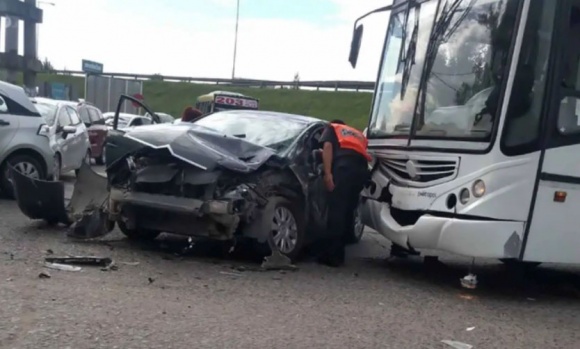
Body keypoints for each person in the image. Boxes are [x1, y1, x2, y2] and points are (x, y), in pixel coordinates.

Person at [317, 119, 371, 267]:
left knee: (336, 211)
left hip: (344, 169)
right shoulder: (357, 134)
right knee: (348, 210)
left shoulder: (332, 128)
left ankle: (334, 257)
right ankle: (344, 246)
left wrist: (327, 174)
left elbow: (327, 147)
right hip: (361, 171)